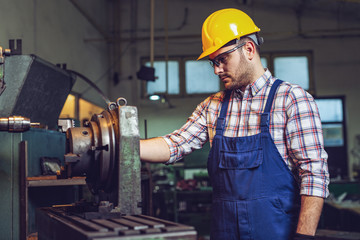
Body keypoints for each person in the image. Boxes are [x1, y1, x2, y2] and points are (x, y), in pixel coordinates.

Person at [140, 8, 329, 240]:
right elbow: (175, 144)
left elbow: (314, 175)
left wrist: (304, 236)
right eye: (213, 63)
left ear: (249, 49)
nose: (217, 69)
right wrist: (125, 147)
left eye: (222, 59)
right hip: (224, 231)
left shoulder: (291, 99)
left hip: (277, 232)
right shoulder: (213, 106)